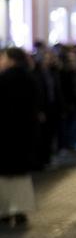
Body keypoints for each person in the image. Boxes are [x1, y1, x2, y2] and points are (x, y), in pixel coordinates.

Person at [0, 48, 41, 227]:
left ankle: (5, 211)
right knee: (21, 175)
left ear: (11, 60)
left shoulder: (4, 79)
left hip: (5, 133)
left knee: (5, 175)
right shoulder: (30, 78)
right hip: (25, 133)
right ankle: (20, 210)